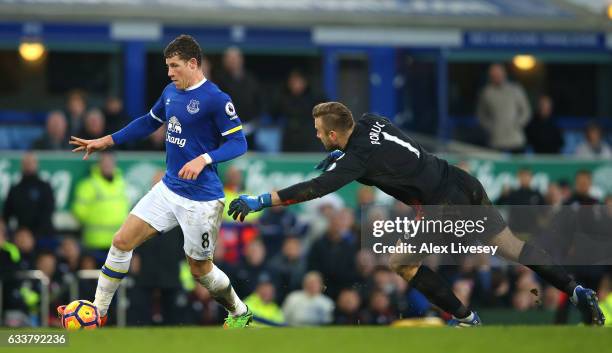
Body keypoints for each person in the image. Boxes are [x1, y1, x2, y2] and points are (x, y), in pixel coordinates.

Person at [228, 101, 605, 326]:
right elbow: (372, 148)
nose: (315, 136)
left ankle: (467, 320)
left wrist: (261, 200)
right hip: (462, 181)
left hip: (443, 206)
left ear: (331, 135)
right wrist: (343, 153)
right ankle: (576, 289)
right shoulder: (372, 121)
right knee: (511, 247)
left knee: (400, 262)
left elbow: (314, 189)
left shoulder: (357, 159)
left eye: (318, 131)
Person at [59, 34, 252, 328]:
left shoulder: (216, 99)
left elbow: (239, 143)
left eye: (175, 66)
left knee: (200, 270)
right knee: (122, 242)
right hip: (169, 188)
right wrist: (106, 140)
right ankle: (98, 312)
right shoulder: (170, 92)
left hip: (201, 199)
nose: (170, 72)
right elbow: (149, 122)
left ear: (192, 63)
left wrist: (204, 159)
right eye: (167, 66)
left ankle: (240, 312)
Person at [72, 153, 130, 252]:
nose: (107, 165)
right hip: (95, 241)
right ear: (98, 165)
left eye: (110, 162)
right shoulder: (88, 185)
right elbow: (79, 211)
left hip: (119, 241)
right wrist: (96, 219)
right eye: (104, 162)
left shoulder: (122, 184)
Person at [477, 64, 531, 153]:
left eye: (498, 74)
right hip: (496, 140)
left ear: (504, 74)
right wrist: (490, 127)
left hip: (516, 139)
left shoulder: (515, 89)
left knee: (519, 166)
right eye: (494, 75)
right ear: (490, 76)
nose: (496, 76)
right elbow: (481, 114)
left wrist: (517, 124)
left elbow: (526, 111)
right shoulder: (486, 92)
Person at [3, 152, 55, 239]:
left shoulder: (44, 187)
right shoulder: (15, 189)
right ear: (21, 165)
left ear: (36, 164)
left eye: (31, 163)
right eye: (26, 163)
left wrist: (34, 234)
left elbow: (48, 211)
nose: (28, 166)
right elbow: (7, 213)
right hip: (22, 236)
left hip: (43, 234)